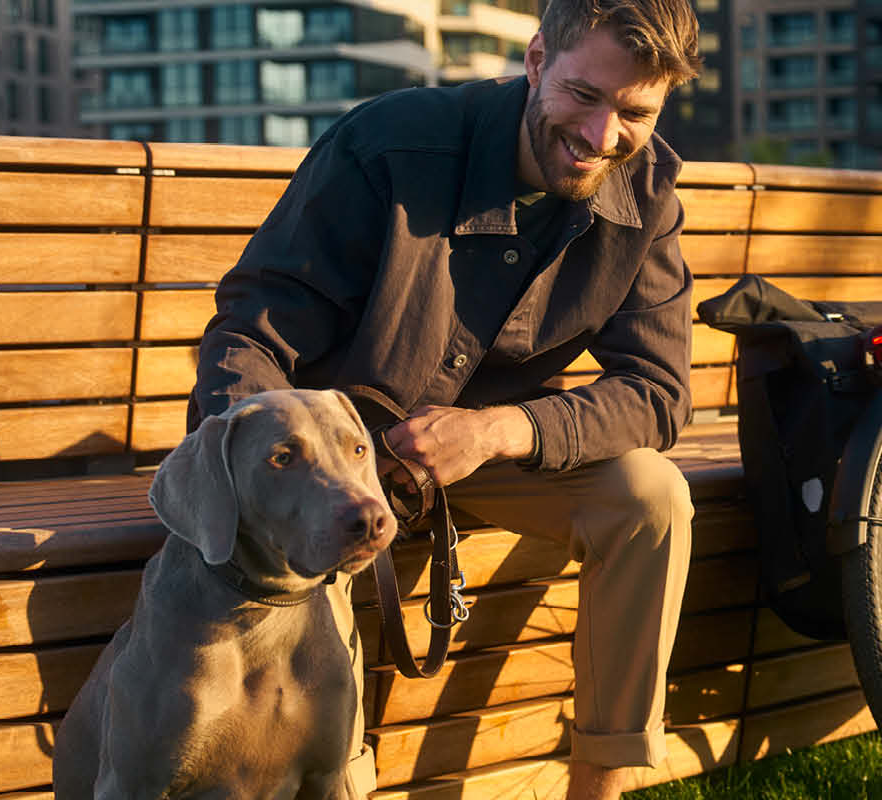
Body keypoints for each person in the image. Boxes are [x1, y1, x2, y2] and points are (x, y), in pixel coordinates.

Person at [186, 0, 701, 796]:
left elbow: (660, 390)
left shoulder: (649, 194)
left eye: (635, 111)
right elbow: (254, 327)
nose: (603, 137)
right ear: (536, 60)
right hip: (340, 460)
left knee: (651, 498)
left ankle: (599, 785)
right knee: (321, 544)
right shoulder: (391, 146)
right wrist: (266, 475)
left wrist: (501, 432)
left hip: (484, 455)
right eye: (583, 96)